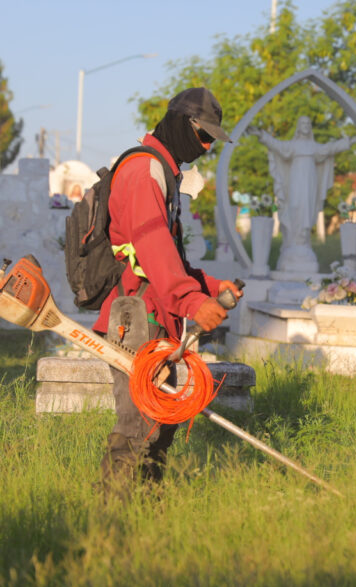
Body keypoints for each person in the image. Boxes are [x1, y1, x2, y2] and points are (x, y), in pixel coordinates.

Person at [91, 86, 241, 497]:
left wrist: (210, 286)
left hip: (153, 313)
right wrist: (194, 301)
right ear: (180, 123)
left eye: (213, 139)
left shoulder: (161, 169)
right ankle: (110, 522)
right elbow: (153, 250)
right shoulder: (144, 173)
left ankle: (147, 514)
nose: (207, 146)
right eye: (204, 135)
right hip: (135, 317)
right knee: (138, 427)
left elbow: (168, 256)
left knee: (159, 424)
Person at [246, 117, 356, 272]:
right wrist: (261, 135)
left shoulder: (313, 146)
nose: (305, 126)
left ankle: (303, 243)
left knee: (307, 210)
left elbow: (330, 148)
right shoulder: (293, 145)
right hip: (295, 180)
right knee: (295, 206)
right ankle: (292, 243)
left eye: (308, 123)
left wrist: (349, 142)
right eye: (303, 123)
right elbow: (277, 145)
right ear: (299, 127)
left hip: (310, 183)